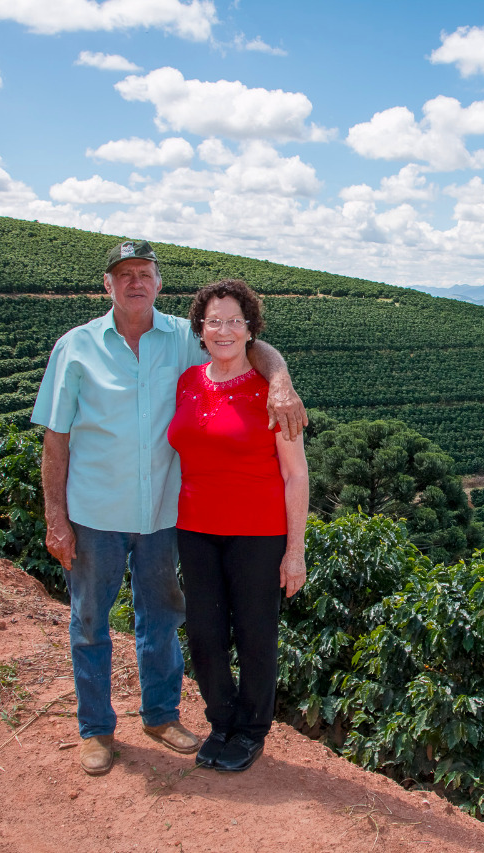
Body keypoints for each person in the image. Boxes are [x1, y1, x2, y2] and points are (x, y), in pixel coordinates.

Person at [32, 241, 307, 777]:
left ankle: (160, 716)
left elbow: (248, 343)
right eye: (124, 274)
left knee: (161, 620)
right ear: (107, 285)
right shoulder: (75, 347)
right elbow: (55, 438)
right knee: (89, 622)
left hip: (162, 517)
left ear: (159, 284)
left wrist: (280, 380)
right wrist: (55, 518)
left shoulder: (183, 339)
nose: (135, 282)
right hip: (96, 514)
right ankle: (96, 729)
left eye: (145, 273)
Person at [168, 279, 308, 773]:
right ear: (200, 329)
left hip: (258, 534)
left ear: (251, 329)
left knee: (254, 636)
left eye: (234, 321)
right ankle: (221, 721)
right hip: (195, 530)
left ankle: (251, 730)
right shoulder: (187, 382)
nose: (224, 330)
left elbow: (296, 474)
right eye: (214, 321)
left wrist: (295, 551)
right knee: (204, 636)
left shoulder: (274, 394)